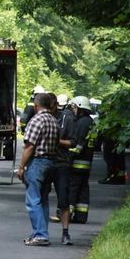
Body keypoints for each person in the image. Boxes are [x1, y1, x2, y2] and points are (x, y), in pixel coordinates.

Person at [17, 92, 59, 246]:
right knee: (44, 200)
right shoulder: (54, 120)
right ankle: (40, 232)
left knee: (33, 200)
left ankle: (40, 235)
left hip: (38, 163)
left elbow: (29, 146)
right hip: (51, 162)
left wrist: (21, 167)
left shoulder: (37, 120)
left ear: (36, 105)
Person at [48, 93, 77, 245]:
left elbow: (73, 142)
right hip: (44, 162)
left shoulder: (66, 118)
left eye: (52, 105)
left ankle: (65, 233)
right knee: (39, 198)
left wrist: (57, 141)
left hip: (61, 163)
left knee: (64, 199)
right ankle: (40, 232)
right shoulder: (41, 118)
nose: (50, 109)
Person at [68, 96, 97, 224]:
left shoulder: (81, 123)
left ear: (80, 108)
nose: (73, 110)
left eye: (74, 107)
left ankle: (66, 214)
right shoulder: (90, 122)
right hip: (87, 161)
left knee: (72, 188)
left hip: (77, 162)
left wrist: (67, 156)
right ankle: (81, 216)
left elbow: (78, 145)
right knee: (83, 189)